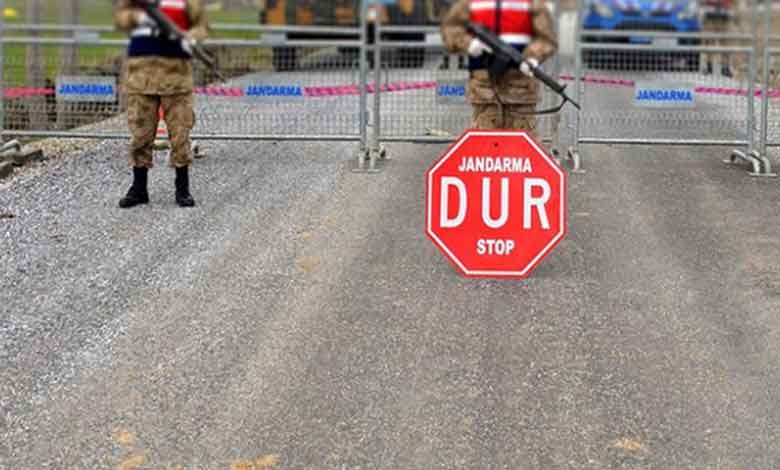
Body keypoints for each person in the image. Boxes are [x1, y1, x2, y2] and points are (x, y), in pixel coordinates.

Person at [113, 0, 208, 208]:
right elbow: (120, 18)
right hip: (141, 75)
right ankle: (139, 189)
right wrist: (135, 17)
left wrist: (191, 38)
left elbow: (202, 26)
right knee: (140, 133)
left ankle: (182, 189)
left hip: (176, 76)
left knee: (180, 133)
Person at [441, 0, 557, 135]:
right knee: (484, 145)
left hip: (520, 88)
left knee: (521, 147)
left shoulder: (533, 2)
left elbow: (547, 38)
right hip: (484, 89)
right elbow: (450, 27)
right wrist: (469, 44)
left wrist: (532, 57)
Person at [702, 0, 735, 77]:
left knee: (726, 43)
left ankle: (725, 67)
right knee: (709, 41)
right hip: (710, 17)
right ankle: (709, 65)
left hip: (725, 17)